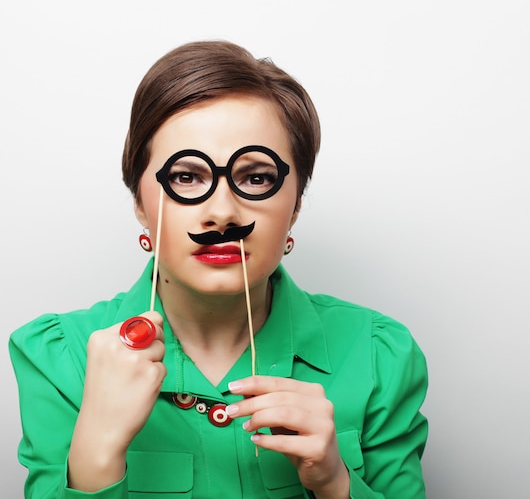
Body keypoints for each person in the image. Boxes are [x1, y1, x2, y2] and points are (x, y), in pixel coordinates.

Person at [9, 40, 428, 498]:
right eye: (186, 177)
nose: (223, 213)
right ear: (140, 204)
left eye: (256, 178)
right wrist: (96, 452)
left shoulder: (378, 355)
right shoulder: (58, 358)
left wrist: (333, 481)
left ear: (295, 207)